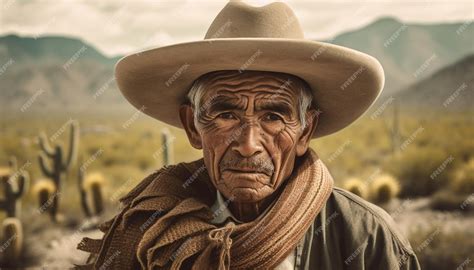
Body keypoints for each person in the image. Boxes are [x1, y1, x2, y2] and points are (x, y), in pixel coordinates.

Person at [77, 1, 421, 269]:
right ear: (193, 125)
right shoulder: (148, 229)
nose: (248, 144)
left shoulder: (365, 237)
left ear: (306, 130)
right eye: (226, 114)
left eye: (274, 116)